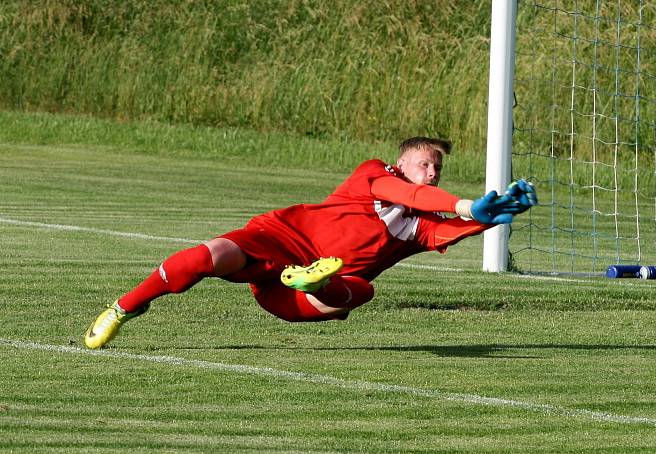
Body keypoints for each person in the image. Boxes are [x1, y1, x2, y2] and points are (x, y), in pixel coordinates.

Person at [84, 137, 536, 349]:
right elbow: (412, 195)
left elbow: (442, 229)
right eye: (425, 163)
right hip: (280, 237)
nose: (432, 172)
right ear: (401, 162)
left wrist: (489, 219)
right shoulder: (373, 173)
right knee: (209, 256)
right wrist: (467, 206)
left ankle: (313, 281)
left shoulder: (415, 228)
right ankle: (123, 308)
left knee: (360, 290)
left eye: (437, 167)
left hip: (297, 297)